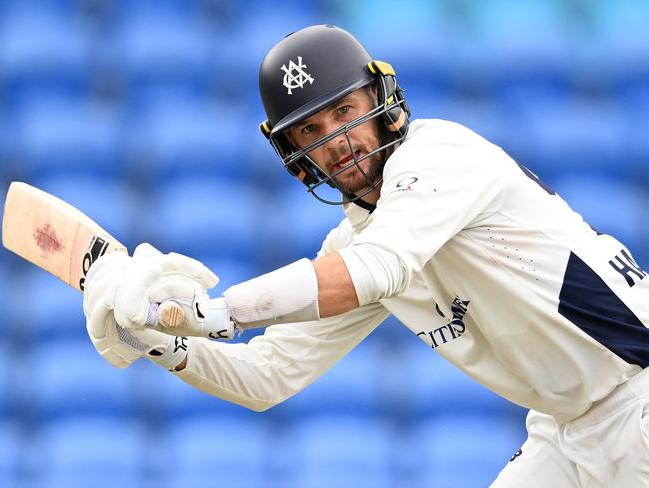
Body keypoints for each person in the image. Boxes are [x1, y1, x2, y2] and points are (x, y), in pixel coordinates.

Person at [83, 25, 649, 486]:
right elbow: (265, 376)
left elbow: (374, 271)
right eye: (312, 128)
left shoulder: (440, 156)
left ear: (382, 103)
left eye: (345, 110)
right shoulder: (358, 243)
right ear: (295, 154)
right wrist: (158, 335)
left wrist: (218, 310)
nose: (338, 138)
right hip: (565, 430)